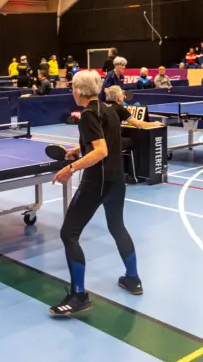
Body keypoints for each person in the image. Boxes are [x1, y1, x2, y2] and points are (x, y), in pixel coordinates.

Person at [49, 71, 143, 316]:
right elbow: (104, 141)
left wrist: (70, 168)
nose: (71, 91)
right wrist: (78, 149)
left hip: (96, 183)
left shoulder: (87, 115)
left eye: (73, 88)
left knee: (68, 233)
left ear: (80, 91)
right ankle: (132, 279)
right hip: (116, 180)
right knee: (117, 227)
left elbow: (100, 151)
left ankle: (79, 296)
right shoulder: (109, 109)